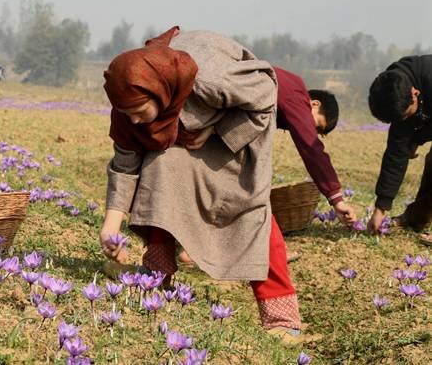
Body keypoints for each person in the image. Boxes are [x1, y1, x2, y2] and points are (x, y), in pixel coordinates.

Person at [100, 27, 306, 342]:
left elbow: (266, 91)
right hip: (183, 128)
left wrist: (218, 131)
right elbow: (125, 163)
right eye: (128, 114)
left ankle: (282, 316)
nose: (135, 121)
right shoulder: (128, 108)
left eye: (139, 112)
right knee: (160, 167)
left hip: (237, 124)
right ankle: (156, 275)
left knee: (249, 212)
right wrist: (110, 227)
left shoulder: (210, 80)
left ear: (159, 92)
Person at [179, 67, 356, 265]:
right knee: (244, 187)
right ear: (314, 103)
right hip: (208, 114)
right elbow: (311, 148)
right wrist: (336, 198)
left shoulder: (283, 85)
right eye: (317, 126)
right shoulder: (296, 95)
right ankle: (199, 248)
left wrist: (213, 127)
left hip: (208, 113)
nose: (312, 130)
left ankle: (263, 249)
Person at [366, 55, 432, 245]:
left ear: (415, 93)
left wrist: (417, 137)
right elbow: (395, 156)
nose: (404, 122)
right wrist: (381, 208)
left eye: (406, 116)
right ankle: (416, 218)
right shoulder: (392, 91)